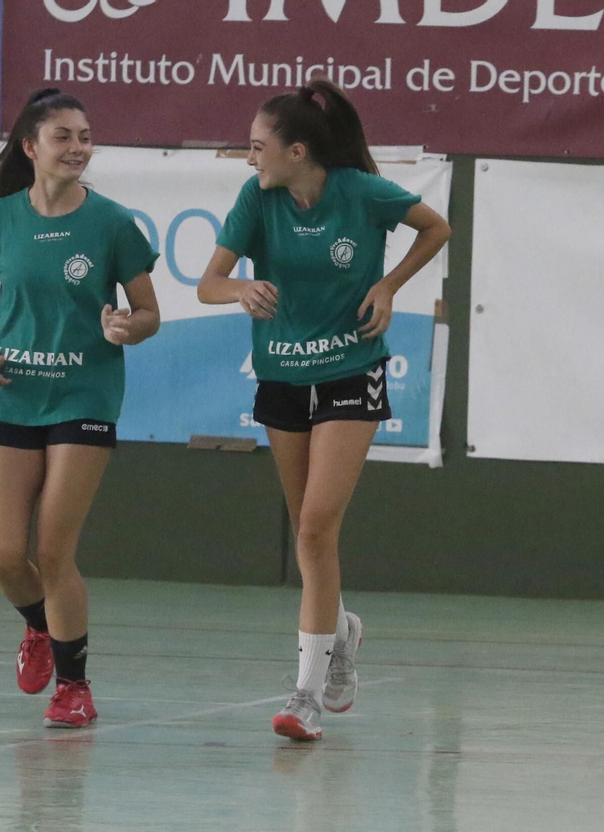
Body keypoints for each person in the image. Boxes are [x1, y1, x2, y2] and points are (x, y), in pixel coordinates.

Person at [197, 79, 450, 741]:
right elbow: (207, 283)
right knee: (313, 536)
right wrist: (240, 288)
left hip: (350, 371)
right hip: (281, 379)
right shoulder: (257, 198)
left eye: (259, 147)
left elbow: (436, 227)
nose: (251, 158)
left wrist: (389, 286)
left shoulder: (360, 194)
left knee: (314, 529)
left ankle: (304, 695)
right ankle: (343, 629)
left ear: (299, 150)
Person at [0, 88, 162, 728]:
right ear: (31, 146)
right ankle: (40, 628)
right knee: (0, 556)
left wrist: (132, 327)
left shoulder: (111, 223)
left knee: (53, 549)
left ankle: (74, 687)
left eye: (84, 136)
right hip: (14, 397)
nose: (78, 148)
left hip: (84, 394)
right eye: (63, 137)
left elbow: (150, 312)